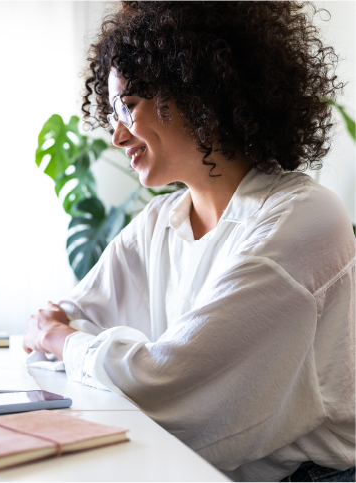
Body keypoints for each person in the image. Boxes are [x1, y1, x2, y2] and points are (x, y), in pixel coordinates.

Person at [22, 2, 355, 481]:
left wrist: (64, 341)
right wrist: (67, 339)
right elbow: (71, 318)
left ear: (197, 93)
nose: (117, 135)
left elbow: (161, 388)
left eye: (127, 107)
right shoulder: (162, 221)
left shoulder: (303, 220)